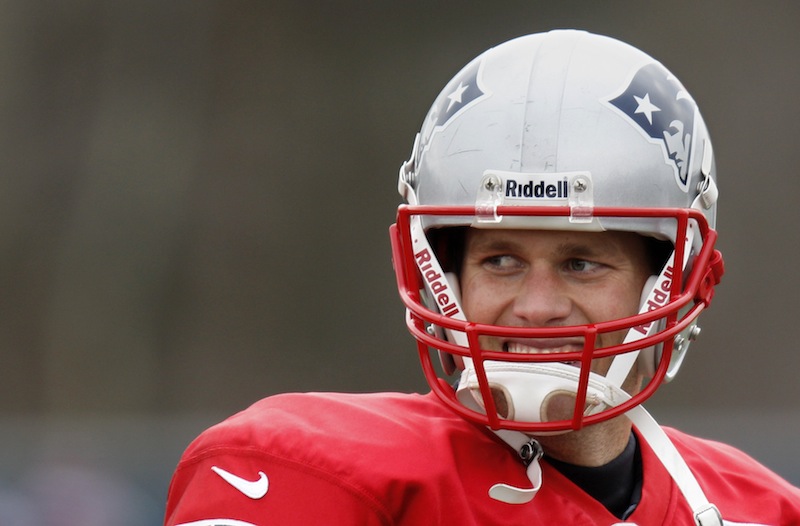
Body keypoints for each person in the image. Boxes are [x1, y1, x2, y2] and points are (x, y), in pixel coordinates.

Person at [163, 30, 800, 525]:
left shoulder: (762, 510)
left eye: (581, 263)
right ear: (441, 273)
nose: (537, 306)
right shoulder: (312, 476)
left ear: (675, 278)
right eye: (501, 261)